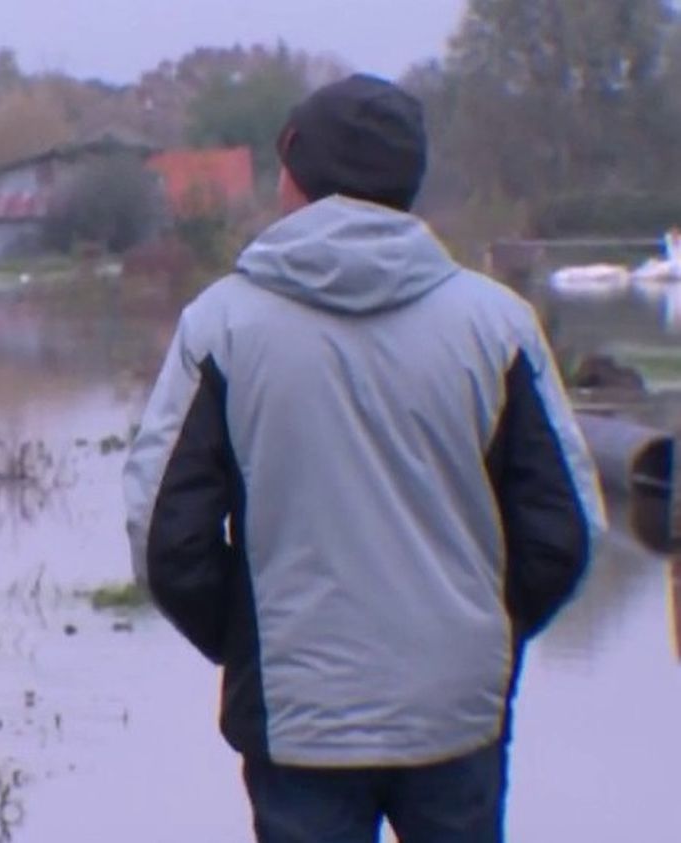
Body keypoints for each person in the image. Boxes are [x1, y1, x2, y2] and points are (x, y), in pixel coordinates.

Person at [122, 74, 605, 843]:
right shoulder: (498, 325)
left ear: (296, 176)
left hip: (297, 713)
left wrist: (253, 641)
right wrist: (484, 629)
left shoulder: (222, 327)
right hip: (458, 707)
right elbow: (564, 529)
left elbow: (165, 535)